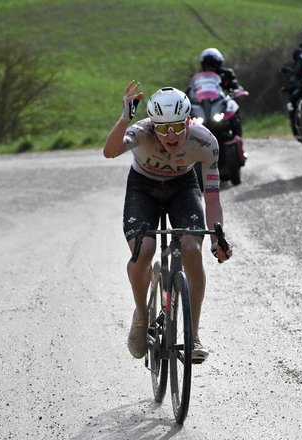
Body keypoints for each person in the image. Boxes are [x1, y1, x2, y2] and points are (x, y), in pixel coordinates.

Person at [103, 81, 232, 364]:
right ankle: (141, 314)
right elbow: (109, 152)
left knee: (192, 251)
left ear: (189, 120)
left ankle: (193, 335)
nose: (171, 135)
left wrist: (217, 237)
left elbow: (212, 197)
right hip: (143, 189)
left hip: (182, 188)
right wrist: (125, 117)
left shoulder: (205, 142)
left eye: (177, 126)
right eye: (162, 128)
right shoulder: (142, 131)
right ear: (153, 126)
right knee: (144, 252)